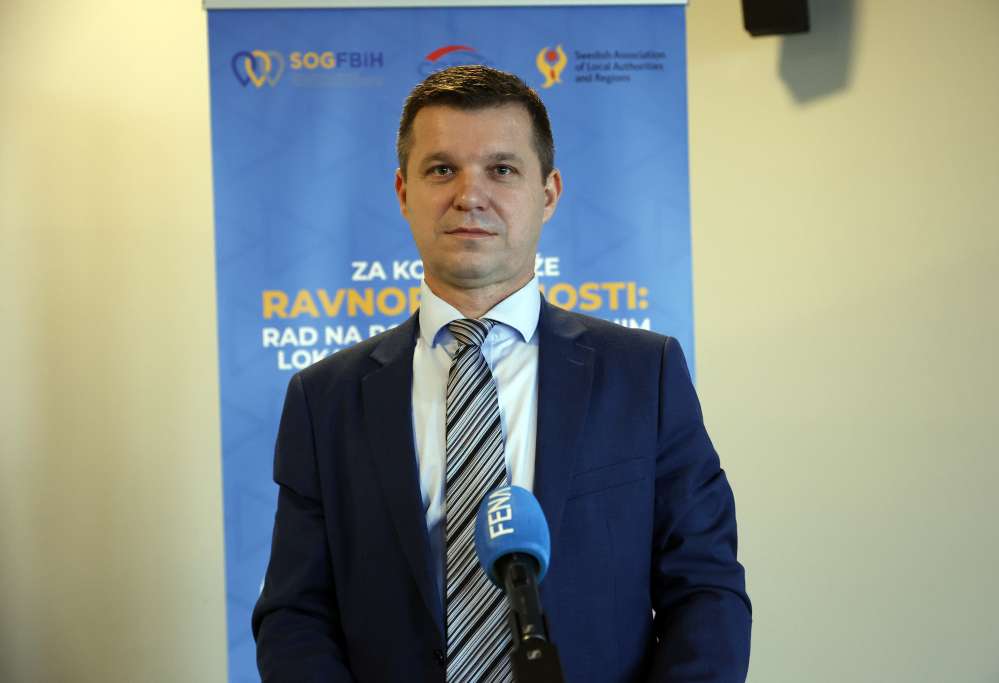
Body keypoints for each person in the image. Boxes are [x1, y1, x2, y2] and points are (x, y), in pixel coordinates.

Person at [252, 65, 751, 683]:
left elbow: (705, 590)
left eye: (502, 169)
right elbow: (295, 614)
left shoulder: (644, 376)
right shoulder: (324, 398)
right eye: (442, 170)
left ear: (549, 193)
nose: (470, 195)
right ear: (403, 192)